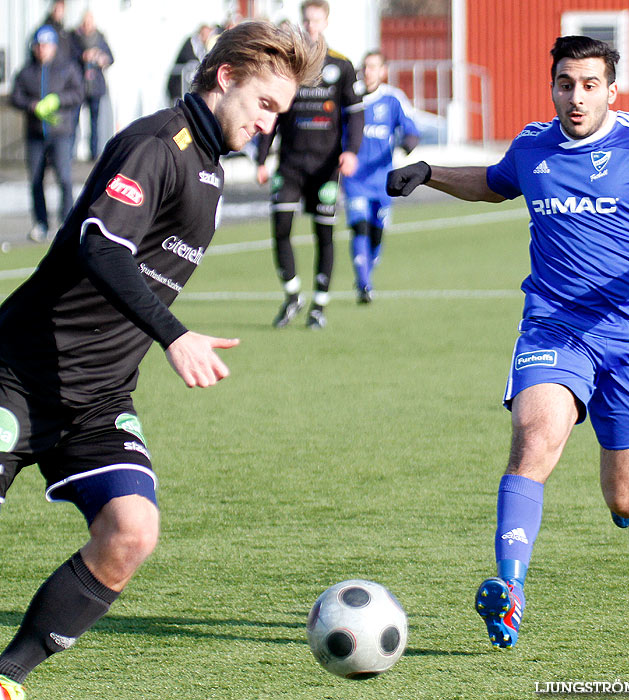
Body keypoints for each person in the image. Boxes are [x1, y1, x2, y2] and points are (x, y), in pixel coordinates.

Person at [0, 21, 323, 700]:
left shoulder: (209, 167)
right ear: (226, 77)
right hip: (19, 374)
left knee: (131, 531)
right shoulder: (159, 143)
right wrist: (174, 335)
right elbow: (102, 244)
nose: (269, 124)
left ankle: (5, 678)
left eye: (281, 114)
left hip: (96, 397)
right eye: (265, 105)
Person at [386, 35, 629, 649]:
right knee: (534, 439)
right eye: (565, 84)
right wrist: (430, 173)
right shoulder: (533, 145)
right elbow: (497, 182)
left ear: (612, 89)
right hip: (555, 326)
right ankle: (511, 590)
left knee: (626, 501)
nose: (576, 97)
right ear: (552, 86)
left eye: (590, 85)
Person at [257, 0, 364, 329]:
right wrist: (262, 158)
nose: (311, 25)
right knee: (281, 228)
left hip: (325, 168)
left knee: (323, 233)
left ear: (326, 22)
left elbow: (355, 114)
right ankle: (292, 295)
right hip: (290, 164)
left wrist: (352, 151)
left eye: (317, 20)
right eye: (307, 19)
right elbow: (272, 112)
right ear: (302, 22)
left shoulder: (341, 66)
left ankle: (319, 303)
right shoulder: (288, 64)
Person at [342, 50, 419, 303]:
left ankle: (366, 277)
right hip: (355, 179)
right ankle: (364, 284)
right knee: (360, 227)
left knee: (377, 232)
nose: (369, 72)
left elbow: (410, 129)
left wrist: (408, 143)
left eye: (374, 67)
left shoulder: (393, 99)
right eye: (366, 67)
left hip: (384, 179)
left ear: (383, 71)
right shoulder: (351, 98)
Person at [11, 24, 84, 242]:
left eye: (46, 45)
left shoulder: (67, 68)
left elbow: (78, 93)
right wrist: (32, 105)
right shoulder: (26, 71)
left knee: (64, 177)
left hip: (61, 132)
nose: (42, 49)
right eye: (39, 45)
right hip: (35, 134)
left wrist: (58, 101)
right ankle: (41, 223)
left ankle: (68, 222)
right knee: (35, 180)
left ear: (53, 46)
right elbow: (16, 96)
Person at [71, 10, 114, 161]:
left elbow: (111, 58)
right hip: (79, 86)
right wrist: (83, 56)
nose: (88, 25)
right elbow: (70, 56)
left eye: (90, 22)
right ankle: (71, 153)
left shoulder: (100, 38)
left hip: (95, 86)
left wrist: (102, 58)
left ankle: (93, 153)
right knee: (74, 120)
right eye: (85, 22)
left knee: (95, 122)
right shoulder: (74, 37)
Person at [166, 24, 214, 103]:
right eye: (207, 33)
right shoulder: (191, 42)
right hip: (178, 84)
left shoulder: (203, 47)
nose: (208, 36)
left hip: (187, 86)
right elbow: (188, 58)